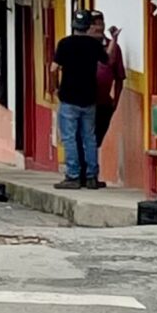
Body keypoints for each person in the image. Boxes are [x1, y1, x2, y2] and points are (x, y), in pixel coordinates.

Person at [51, 12, 106, 189]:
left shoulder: (64, 43)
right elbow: (106, 60)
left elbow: (53, 69)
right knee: (89, 138)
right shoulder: (94, 45)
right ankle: (91, 177)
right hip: (89, 97)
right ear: (88, 26)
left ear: (74, 25)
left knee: (69, 138)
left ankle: (73, 176)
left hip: (69, 97)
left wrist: (54, 88)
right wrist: (112, 41)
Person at [93, 18, 126, 153]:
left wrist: (115, 101)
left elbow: (119, 77)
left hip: (103, 102)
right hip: (84, 101)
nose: (98, 27)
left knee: (97, 139)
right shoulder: (81, 46)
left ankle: (90, 169)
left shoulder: (112, 47)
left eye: (100, 23)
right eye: (94, 24)